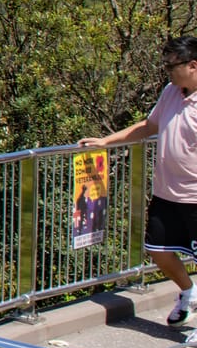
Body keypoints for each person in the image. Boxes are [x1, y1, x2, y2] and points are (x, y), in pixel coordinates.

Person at [81, 36, 197, 325]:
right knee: (157, 250)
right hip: (166, 193)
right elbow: (148, 126)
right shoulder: (171, 92)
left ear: (193, 65)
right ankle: (188, 293)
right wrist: (105, 141)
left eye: (173, 65)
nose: (168, 71)